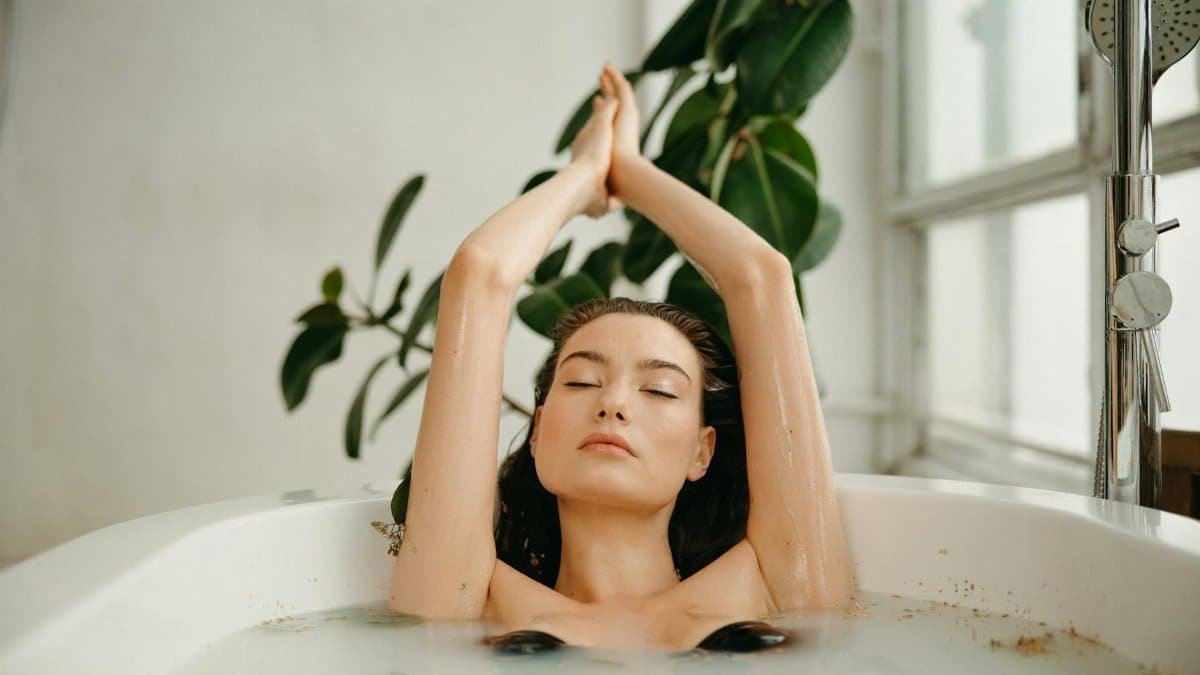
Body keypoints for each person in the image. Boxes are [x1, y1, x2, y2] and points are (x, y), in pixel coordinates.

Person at [387, 61, 855, 653]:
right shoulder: (470, 600)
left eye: (659, 390)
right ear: (535, 435)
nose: (611, 403)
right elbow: (480, 275)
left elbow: (761, 276)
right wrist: (584, 175)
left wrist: (630, 172)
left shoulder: (774, 586)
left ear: (701, 451)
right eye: (581, 381)